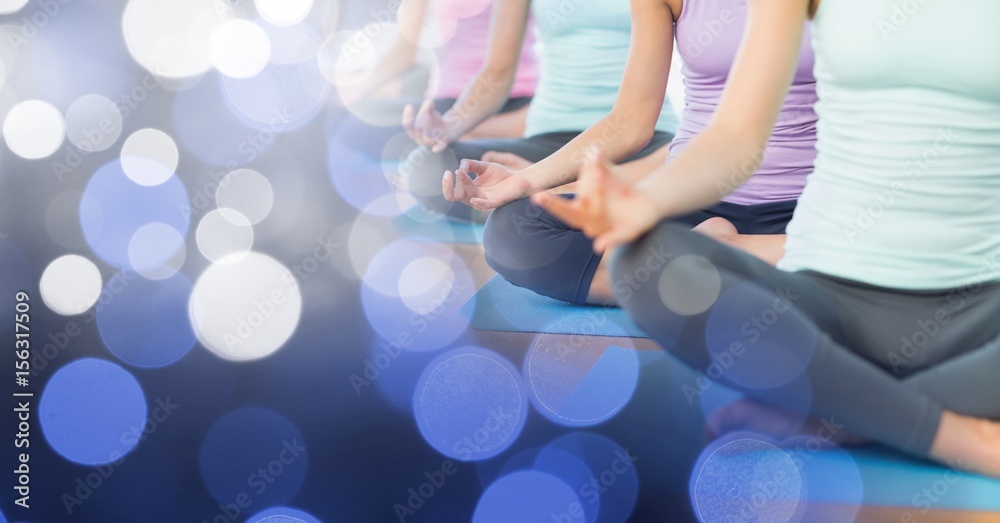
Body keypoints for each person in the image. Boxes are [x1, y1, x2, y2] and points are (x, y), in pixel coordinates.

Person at [533, 0, 1000, 476]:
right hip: (824, 299)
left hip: (982, 309)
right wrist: (646, 203)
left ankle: (846, 415)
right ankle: (957, 436)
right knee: (643, 260)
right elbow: (735, 135)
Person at [443, 0, 816, 305]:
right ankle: (755, 263)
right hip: (692, 202)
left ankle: (714, 259)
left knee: (866, 254)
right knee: (513, 229)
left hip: (807, 208)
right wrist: (526, 179)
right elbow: (631, 120)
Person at [403, 0, 680, 223]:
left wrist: (535, 179)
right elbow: (497, 70)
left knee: (682, 171)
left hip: (639, 142)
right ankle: (559, 196)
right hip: (549, 139)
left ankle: (551, 193)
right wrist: (451, 123)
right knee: (428, 168)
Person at [335, 0, 538, 158]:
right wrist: (351, 91)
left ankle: (485, 132)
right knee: (344, 122)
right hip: (444, 101)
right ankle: (478, 134)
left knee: (430, 156)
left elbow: (499, 69)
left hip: (511, 97)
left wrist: (454, 125)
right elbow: (403, 52)